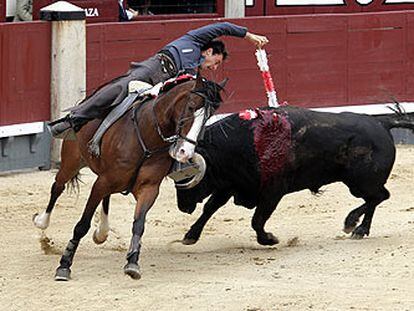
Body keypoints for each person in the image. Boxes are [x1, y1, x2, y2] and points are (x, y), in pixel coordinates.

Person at [48, 22, 269, 138]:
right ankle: (73, 119)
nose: (214, 67)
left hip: (164, 88)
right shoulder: (194, 39)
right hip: (155, 68)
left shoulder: (194, 76)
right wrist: (248, 36)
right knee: (120, 87)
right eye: (216, 62)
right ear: (209, 51)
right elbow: (223, 27)